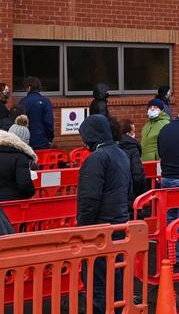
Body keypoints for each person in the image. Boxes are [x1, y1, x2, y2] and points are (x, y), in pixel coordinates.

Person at [75, 114, 133, 313]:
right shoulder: (121, 154)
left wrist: (83, 228)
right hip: (119, 223)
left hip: (99, 229)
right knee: (116, 277)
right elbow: (129, 191)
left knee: (97, 281)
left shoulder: (96, 159)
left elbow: (89, 199)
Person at [0, 115, 36, 203]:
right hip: (13, 203)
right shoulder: (20, 158)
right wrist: (32, 192)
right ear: (25, 143)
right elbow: (24, 185)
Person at [112, 117, 147, 198]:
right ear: (128, 134)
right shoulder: (132, 148)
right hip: (130, 193)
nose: (134, 134)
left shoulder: (111, 146)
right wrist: (141, 191)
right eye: (133, 132)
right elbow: (137, 173)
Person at [19, 77, 55, 149]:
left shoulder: (22, 102)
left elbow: (18, 123)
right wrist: (50, 139)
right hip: (43, 141)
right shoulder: (46, 101)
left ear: (29, 87)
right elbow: (49, 122)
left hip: (26, 142)